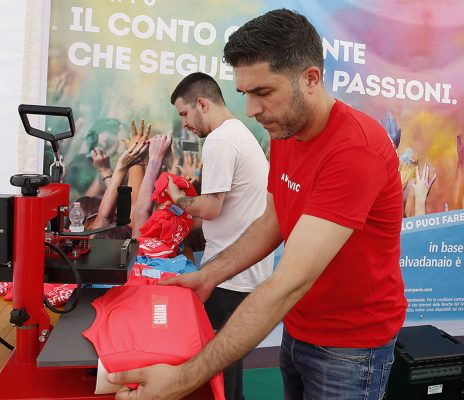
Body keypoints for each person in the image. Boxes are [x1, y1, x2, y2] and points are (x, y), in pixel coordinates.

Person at [108, 8, 407, 400]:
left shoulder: (355, 150)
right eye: (245, 94)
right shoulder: (285, 132)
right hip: (299, 327)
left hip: (351, 348)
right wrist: (209, 274)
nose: (250, 110)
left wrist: (182, 380)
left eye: (263, 92)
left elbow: (288, 282)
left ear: (311, 79)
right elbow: (273, 220)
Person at [166, 72, 274, 400]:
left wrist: (176, 198)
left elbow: (212, 207)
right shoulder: (238, 133)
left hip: (228, 276)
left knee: (216, 375)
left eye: (185, 113)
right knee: (229, 366)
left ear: (202, 104)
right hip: (245, 271)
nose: (184, 123)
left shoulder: (220, 141)